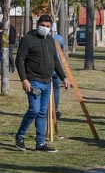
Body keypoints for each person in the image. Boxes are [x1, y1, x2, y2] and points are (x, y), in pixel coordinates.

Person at [14, 15, 69, 153]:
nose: (45, 28)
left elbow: (55, 60)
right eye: (42, 25)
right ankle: (20, 136)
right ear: (37, 24)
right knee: (34, 109)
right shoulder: (28, 39)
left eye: (48, 26)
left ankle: (41, 142)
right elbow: (19, 60)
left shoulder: (50, 40)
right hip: (33, 81)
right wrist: (24, 80)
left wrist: (64, 77)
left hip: (47, 82)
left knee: (42, 113)